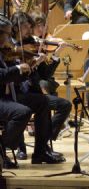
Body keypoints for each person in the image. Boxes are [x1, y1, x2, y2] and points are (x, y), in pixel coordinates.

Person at [0, 14, 62, 167]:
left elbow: (14, 78)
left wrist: (26, 68)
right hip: (5, 97)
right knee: (22, 112)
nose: (9, 38)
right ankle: (2, 150)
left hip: (9, 95)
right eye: (7, 34)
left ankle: (40, 152)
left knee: (43, 102)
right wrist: (17, 68)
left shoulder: (6, 50)